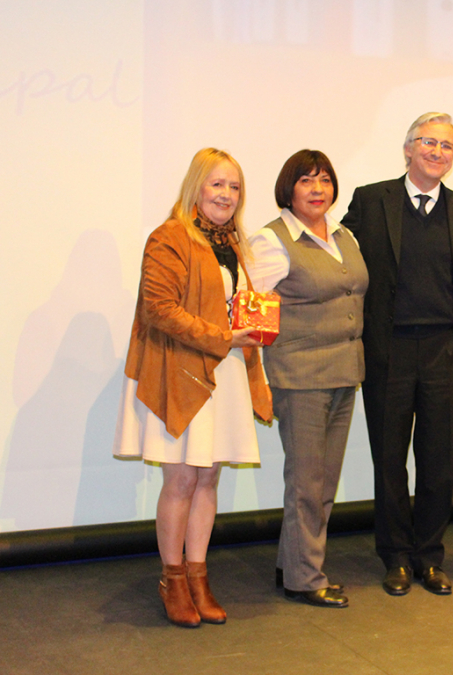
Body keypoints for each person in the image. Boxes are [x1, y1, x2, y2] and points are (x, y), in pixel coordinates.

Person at [114, 148, 272, 627]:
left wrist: (255, 316)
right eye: (218, 184)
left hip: (223, 374)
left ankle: (200, 576)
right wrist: (224, 335)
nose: (227, 194)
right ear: (196, 187)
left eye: (235, 187)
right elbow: (158, 308)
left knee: (209, 477)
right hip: (181, 373)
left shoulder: (233, 242)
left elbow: (227, 303)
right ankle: (173, 579)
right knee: (182, 479)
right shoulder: (169, 236)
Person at [342, 112, 453, 596]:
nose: (437, 152)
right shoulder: (370, 200)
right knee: (389, 459)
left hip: (444, 349)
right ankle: (396, 556)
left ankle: (430, 556)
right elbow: (336, 257)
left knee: (438, 459)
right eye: (428, 142)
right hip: (388, 350)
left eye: (447, 146)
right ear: (407, 148)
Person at [248, 150, 368, 609]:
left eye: (324, 181)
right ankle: (305, 577)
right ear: (288, 189)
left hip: (344, 372)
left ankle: (291, 562)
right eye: (306, 181)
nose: (317, 190)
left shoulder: (344, 235)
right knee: (307, 481)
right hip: (298, 377)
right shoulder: (271, 241)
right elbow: (250, 307)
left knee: (323, 479)